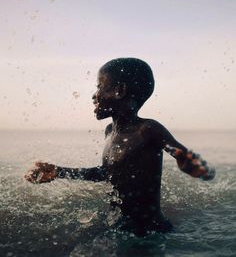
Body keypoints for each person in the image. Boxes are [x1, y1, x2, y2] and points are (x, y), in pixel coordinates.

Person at [25, 58, 215, 236]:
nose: (94, 95)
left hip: (149, 232)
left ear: (119, 91)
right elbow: (107, 173)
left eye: (100, 86)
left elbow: (184, 156)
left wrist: (196, 167)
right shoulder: (110, 131)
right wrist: (60, 172)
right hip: (121, 227)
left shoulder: (147, 130)